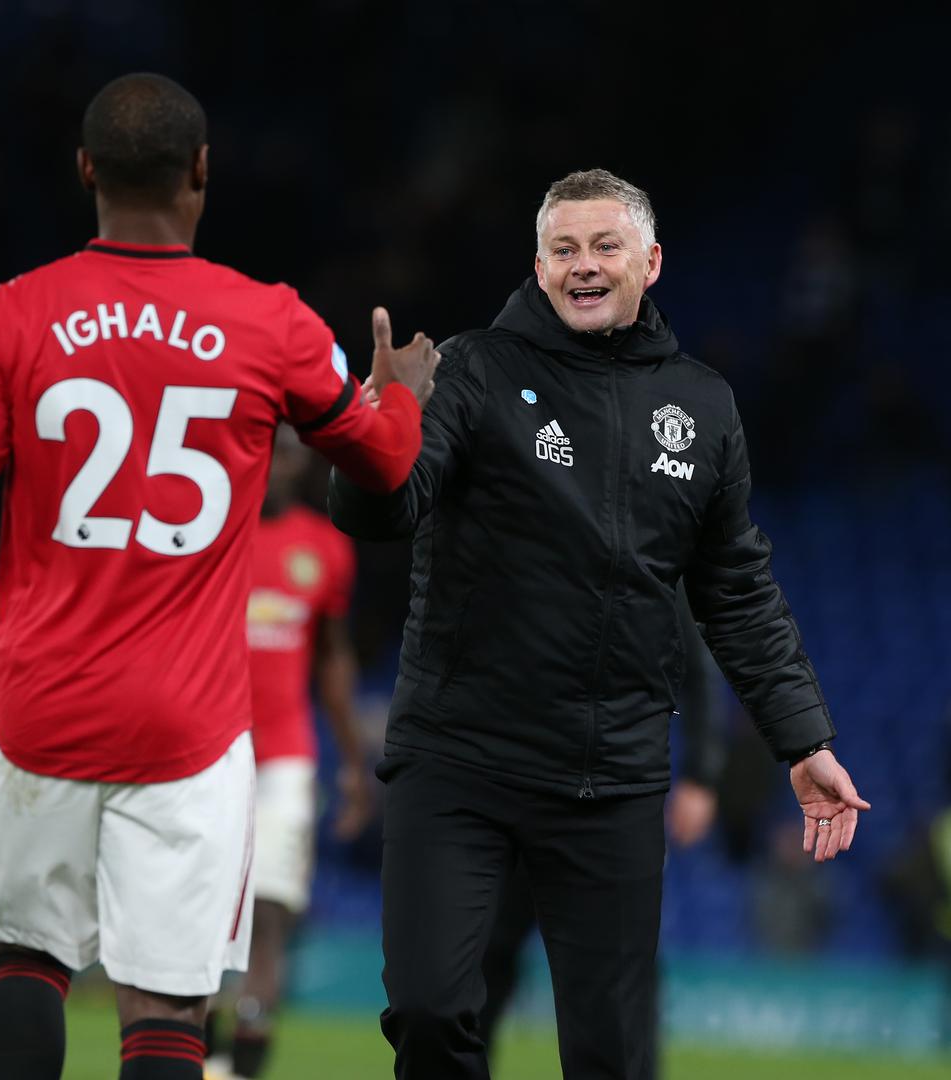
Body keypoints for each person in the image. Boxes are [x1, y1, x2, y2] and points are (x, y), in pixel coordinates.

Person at [0, 73, 438, 1080]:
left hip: (38, 709)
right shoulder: (273, 323)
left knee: (24, 962)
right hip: (191, 730)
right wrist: (401, 397)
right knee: (167, 1005)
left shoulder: (8, 317)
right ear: (202, 172)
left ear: (84, 172)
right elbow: (384, 465)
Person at [328, 168, 870, 1080]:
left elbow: (734, 590)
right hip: (457, 763)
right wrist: (374, 429)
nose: (582, 266)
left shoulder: (700, 405)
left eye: (603, 247)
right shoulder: (472, 369)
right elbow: (382, 513)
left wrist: (801, 740)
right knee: (429, 1013)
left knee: (613, 1055)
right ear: (537, 268)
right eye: (563, 250)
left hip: (607, 778)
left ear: (649, 262)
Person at [478, 586, 726, 1063]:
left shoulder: (647, 557)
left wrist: (702, 776)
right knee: (488, 951)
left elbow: (696, 669)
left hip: (612, 798)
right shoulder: (530, 547)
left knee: (625, 965)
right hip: (517, 785)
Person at [205, 425, 370, 1080]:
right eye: (268, 455)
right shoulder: (206, 533)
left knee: (270, 910)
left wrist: (354, 761)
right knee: (205, 911)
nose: (278, 469)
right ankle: (204, 1049)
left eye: (290, 458)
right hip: (206, 750)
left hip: (284, 757)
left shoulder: (322, 547)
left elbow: (331, 657)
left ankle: (242, 1065)